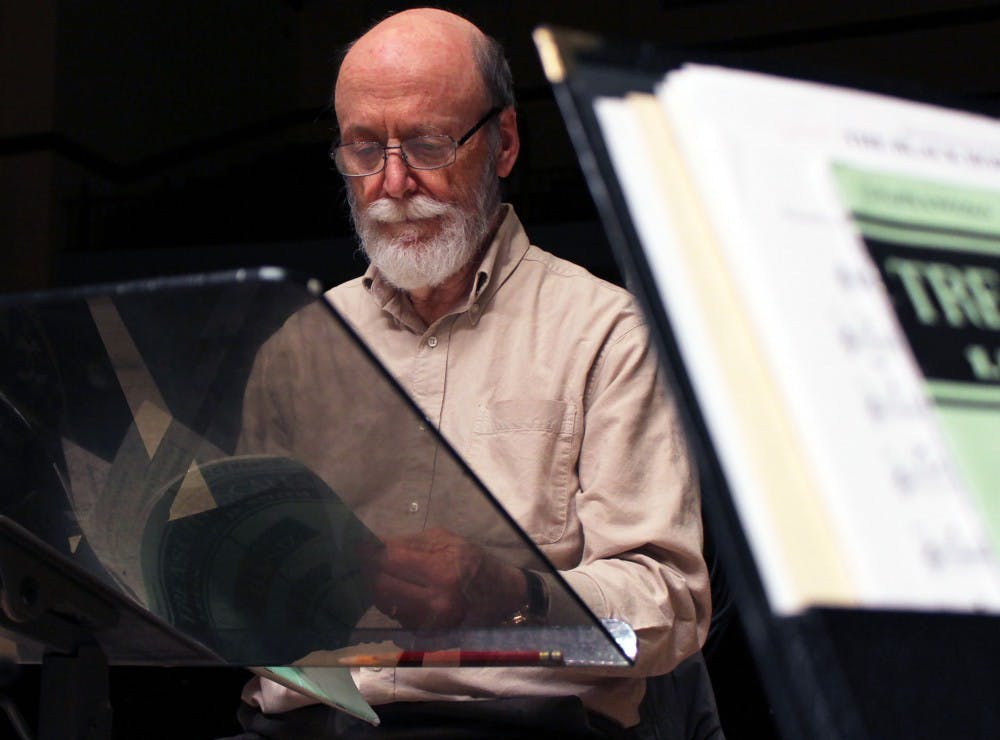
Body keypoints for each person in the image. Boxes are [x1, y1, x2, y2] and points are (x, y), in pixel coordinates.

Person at [228, 8, 712, 739]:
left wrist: (510, 594)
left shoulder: (604, 332)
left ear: (505, 142)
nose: (392, 183)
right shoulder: (301, 345)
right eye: (364, 150)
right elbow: (246, 589)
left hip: (508, 725)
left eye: (426, 144)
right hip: (304, 722)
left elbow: (669, 607)